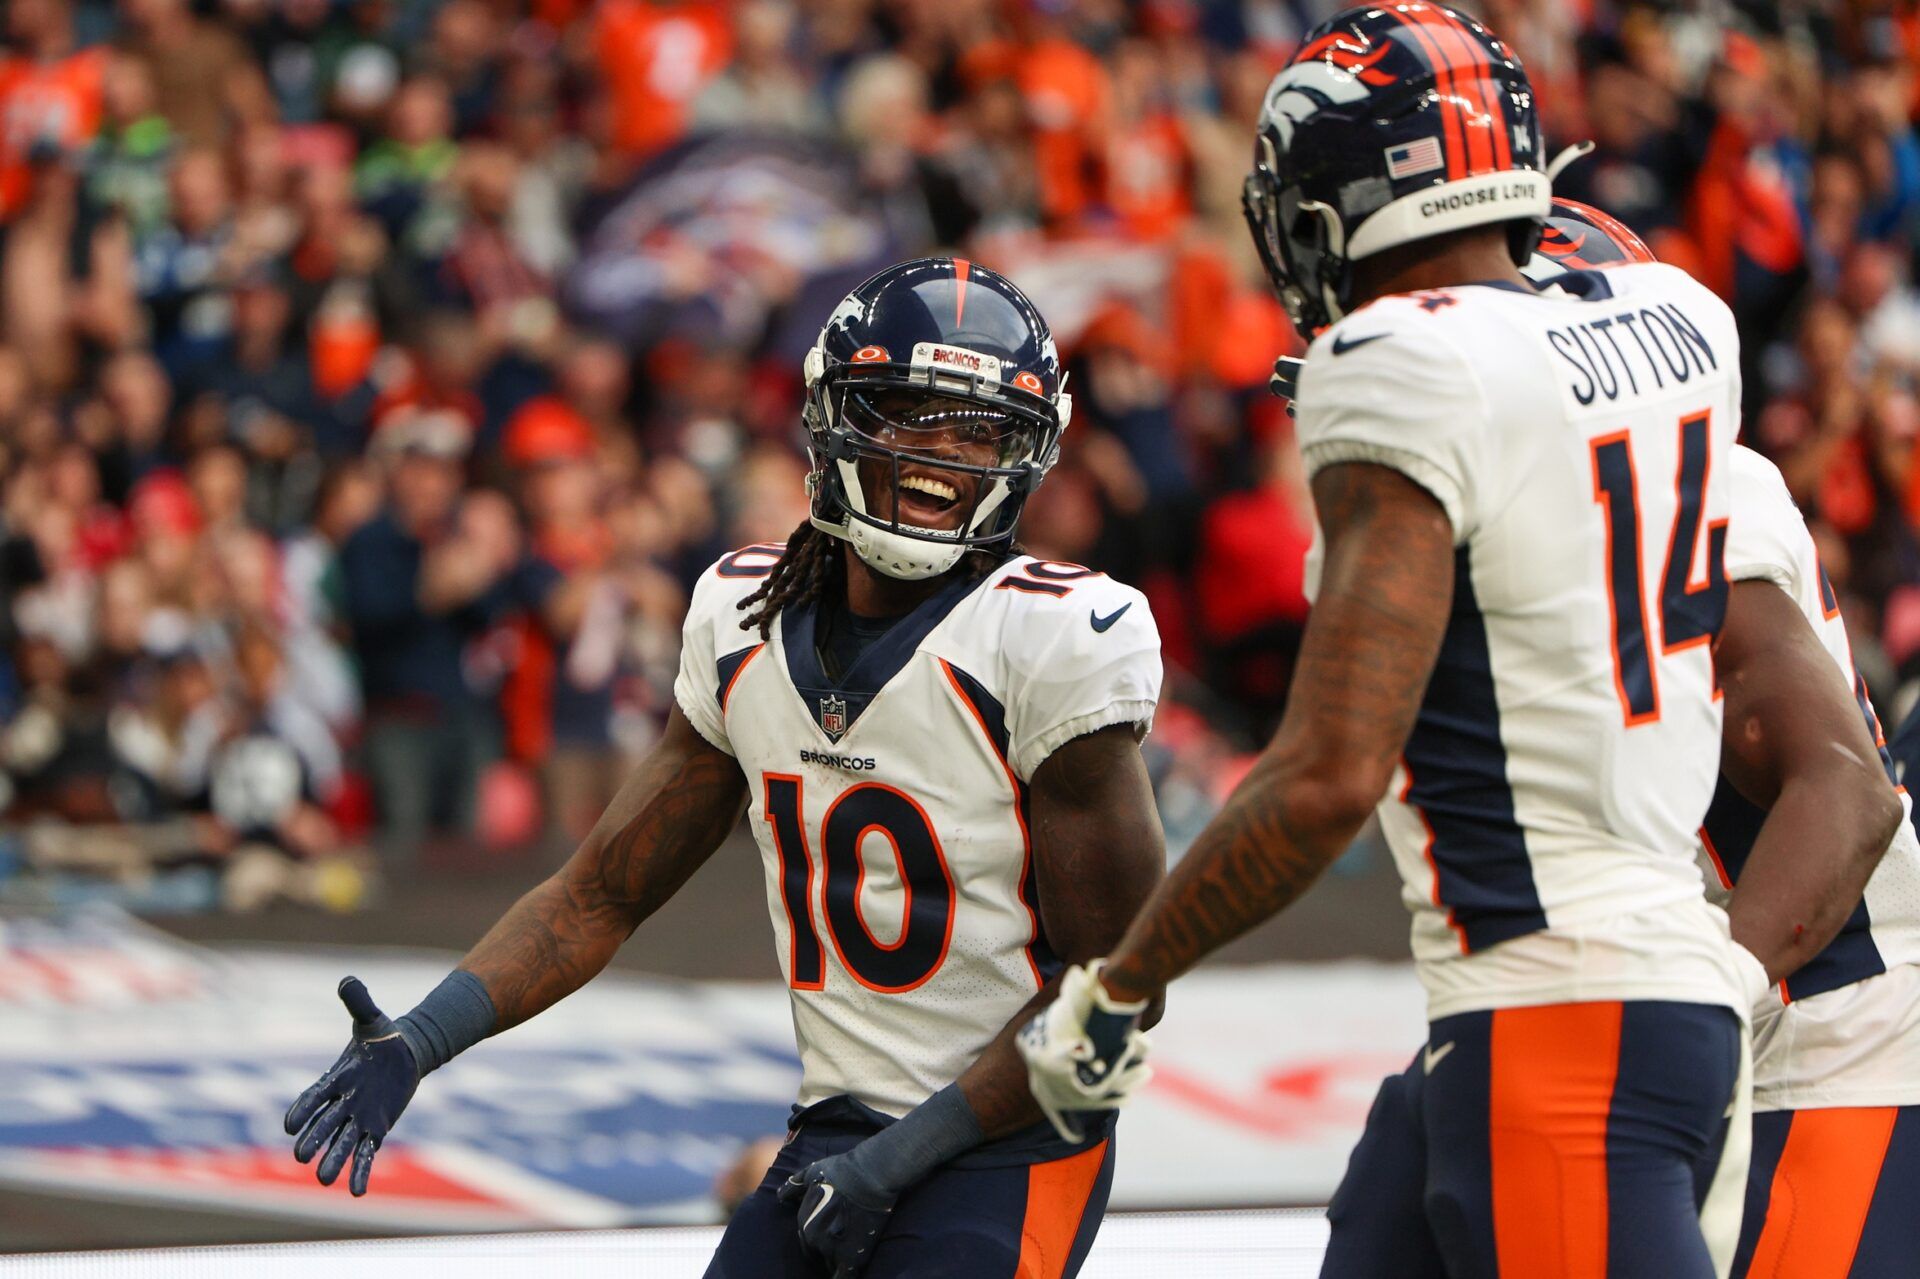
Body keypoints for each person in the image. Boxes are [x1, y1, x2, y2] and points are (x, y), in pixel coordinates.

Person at [1016, 8, 1845, 1276]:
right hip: (1639, 982)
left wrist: (1122, 981)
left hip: (1557, 1003)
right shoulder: (1681, 316)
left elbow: (1328, 775)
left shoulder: (1398, 358)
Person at [283, 257, 1166, 1279]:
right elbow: (599, 894)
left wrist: (903, 1156)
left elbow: (1114, 991)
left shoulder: (1054, 640)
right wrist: (419, 1039)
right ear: (833, 416)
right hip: (840, 1129)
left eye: (979, 429)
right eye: (911, 412)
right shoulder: (748, 615)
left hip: (1008, 1143)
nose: (943, 455)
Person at [1529, 201, 1920, 1279]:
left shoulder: (1686, 486)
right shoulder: (1535, 519)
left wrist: (1697, 1004)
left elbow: (1846, 794)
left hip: (1826, 1030)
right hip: (1688, 1025)